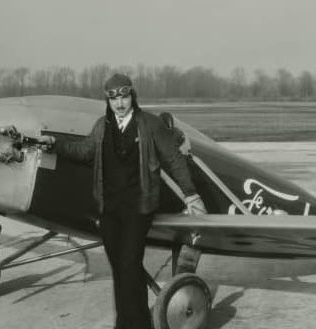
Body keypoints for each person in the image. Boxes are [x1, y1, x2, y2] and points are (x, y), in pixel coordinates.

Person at [49, 73, 205, 329]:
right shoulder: (102, 126)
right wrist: (55, 143)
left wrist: (190, 193)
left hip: (139, 206)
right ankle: (125, 323)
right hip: (109, 208)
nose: (120, 103)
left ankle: (139, 325)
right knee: (120, 269)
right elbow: (85, 151)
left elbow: (174, 159)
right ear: (108, 101)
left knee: (130, 263)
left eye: (124, 96)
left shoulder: (150, 124)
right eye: (114, 98)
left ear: (132, 96)